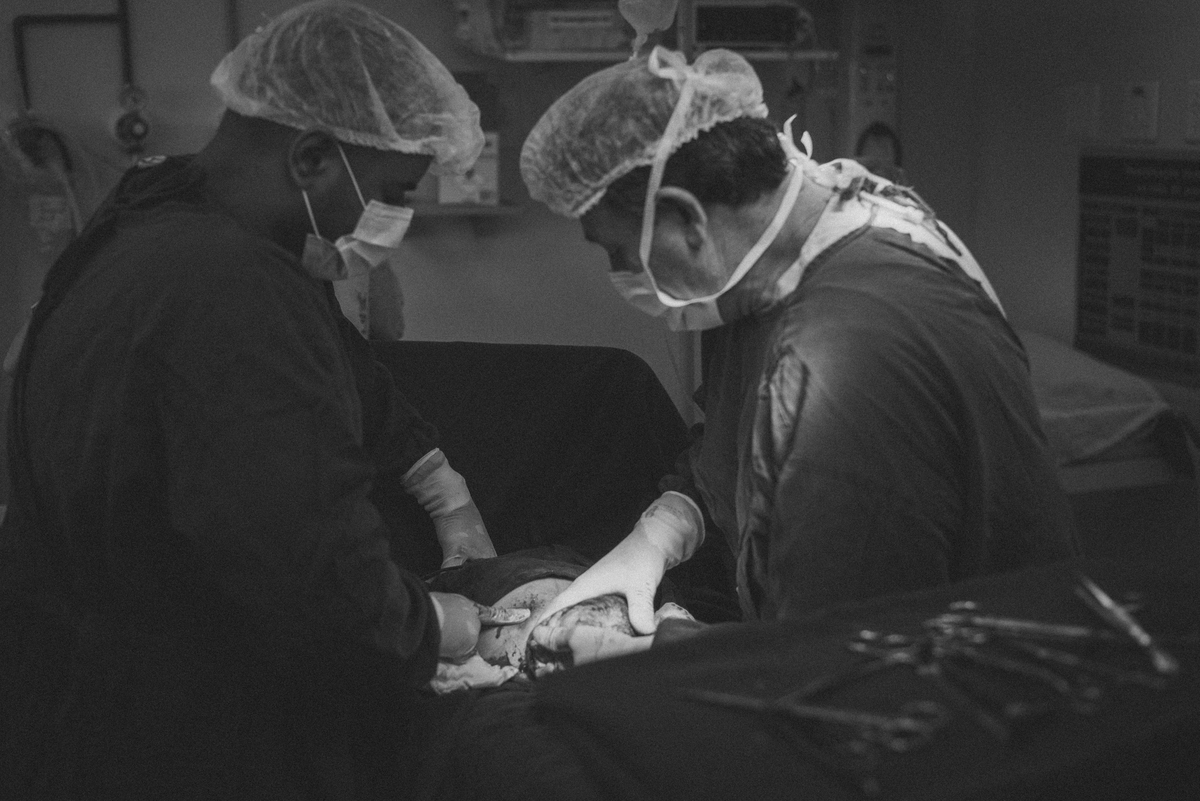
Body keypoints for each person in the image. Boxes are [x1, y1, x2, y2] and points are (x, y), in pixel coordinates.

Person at [0, 3, 522, 799]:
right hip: (169, 738)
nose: (394, 220)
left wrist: (438, 482)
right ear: (311, 157)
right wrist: (434, 626)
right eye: (392, 192)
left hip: (76, 701)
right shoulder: (234, 291)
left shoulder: (157, 220)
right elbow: (314, 577)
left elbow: (342, 373)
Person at [520, 47, 1079, 647]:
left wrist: (652, 652)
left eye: (619, 252)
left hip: (963, 680)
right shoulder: (783, 253)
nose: (623, 274)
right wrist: (661, 531)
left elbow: (835, 656)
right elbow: (736, 444)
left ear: (687, 219)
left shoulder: (847, 360)